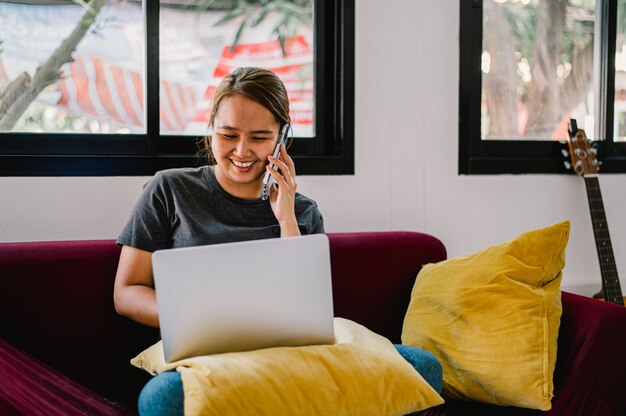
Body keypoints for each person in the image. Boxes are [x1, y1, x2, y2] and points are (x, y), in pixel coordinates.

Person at [113, 67, 442, 416]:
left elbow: (309, 307)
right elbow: (127, 291)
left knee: (423, 367)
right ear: (211, 129)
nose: (241, 151)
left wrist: (285, 217)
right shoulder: (168, 189)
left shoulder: (302, 212)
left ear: (281, 138)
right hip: (213, 358)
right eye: (228, 134)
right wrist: (197, 317)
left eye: (259, 137)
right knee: (162, 399)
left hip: (292, 355)